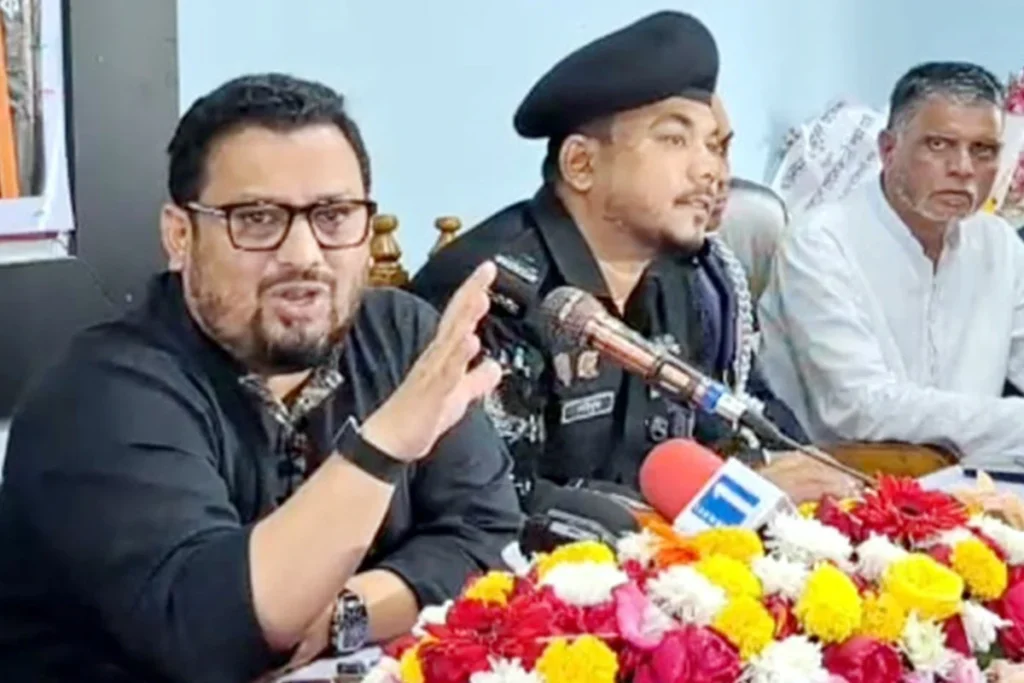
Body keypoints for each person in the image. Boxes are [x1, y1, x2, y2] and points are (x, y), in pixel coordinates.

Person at [0, 74, 521, 682]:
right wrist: (384, 446)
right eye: (256, 219)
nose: (303, 255)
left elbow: (489, 539)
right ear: (179, 235)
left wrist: (344, 612)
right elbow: (213, 634)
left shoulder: (399, 335)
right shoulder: (101, 398)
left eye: (333, 216)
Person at [410, 11, 857, 509]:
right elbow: (500, 503)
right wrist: (725, 499)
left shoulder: (689, 278)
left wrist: (774, 476)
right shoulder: (492, 293)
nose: (710, 170)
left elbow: (725, 434)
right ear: (581, 164)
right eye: (674, 139)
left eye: (712, 146)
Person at [758, 62, 1024, 464]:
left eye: (982, 150)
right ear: (888, 150)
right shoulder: (822, 242)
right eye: (938, 145)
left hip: (974, 481)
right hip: (841, 480)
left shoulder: (998, 242)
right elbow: (858, 408)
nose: (963, 168)